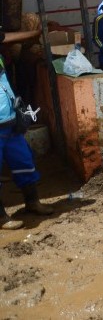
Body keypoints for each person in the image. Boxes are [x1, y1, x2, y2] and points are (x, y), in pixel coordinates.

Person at [0, 30, 54, 230]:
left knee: (24, 162)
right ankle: (1, 218)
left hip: (10, 122)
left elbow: (5, 37)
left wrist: (36, 32)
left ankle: (32, 202)